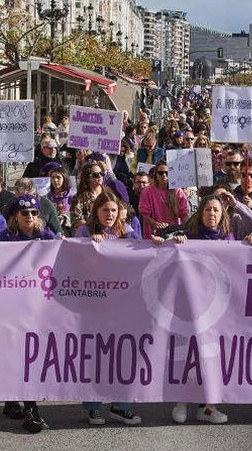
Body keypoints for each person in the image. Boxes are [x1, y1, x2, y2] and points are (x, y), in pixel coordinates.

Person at [156, 195, 233, 425]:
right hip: (188, 305)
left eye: (216, 211)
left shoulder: (229, 239)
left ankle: (207, 407)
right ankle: (181, 401)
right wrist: (169, 241)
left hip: (217, 307)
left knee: (212, 355)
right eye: (208, 209)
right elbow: (159, 237)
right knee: (186, 353)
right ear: (201, 213)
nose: (212, 214)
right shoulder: (188, 235)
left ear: (222, 215)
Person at [74, 193, 143, 425]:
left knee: (123, 354)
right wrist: (89, 246)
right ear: (96, 212)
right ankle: (93, 405)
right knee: (95, 354)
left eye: (113, 210)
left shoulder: (129, 232)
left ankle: (120, 406)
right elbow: (74, 260)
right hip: (93, 304)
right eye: (105, 210)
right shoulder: (84, 232)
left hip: (123, 304)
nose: (110, 215)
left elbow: (141, 258)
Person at [0, 195, 53, 432]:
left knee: (31, 356)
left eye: (33, 213)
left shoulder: (46, 236)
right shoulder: (7, 238)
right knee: (17, 354)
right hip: (13, 305)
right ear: (15, 217)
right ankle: (21, 403)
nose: (30, 217)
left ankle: (28, 406)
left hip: (38, 305)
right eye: (25, 214)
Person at [138, 162, 189, 238]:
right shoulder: (147, 192)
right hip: (152, 236)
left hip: (173, 236)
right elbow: (145, 215)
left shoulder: (178, 191)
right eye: (160, 173)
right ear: (156, 174)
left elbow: (184, 215)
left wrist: (188, 232)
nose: (164, 175)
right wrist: (156, 224)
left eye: (167, 173)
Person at [70, 163, 107, 231]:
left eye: (101, 173)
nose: (99, 176)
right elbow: (76, 222)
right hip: (88, 234)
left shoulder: (108, 193)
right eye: (95, 175)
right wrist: (95, 227)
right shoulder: (79, 197)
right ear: (87, 178)